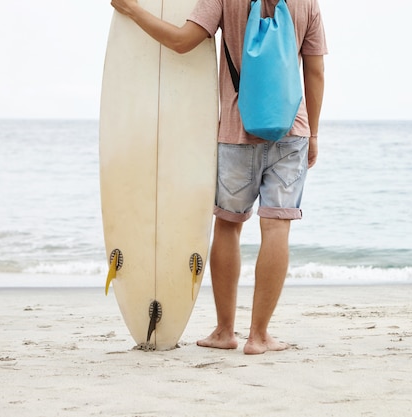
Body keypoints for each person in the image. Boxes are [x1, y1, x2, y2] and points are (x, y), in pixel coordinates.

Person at [109, 0, 327, 354]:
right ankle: (259, 337)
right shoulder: (307, 3)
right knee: (277, 227)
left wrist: (133, 11)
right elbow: (314, 71)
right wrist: (313, 134)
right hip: (292, 132)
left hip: (235, 132)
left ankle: (225, 331)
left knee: (228, 225)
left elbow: (182, 42)